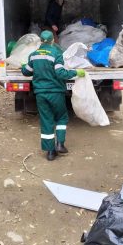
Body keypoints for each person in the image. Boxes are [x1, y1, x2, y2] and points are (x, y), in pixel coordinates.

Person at [21, 30, 85, 161]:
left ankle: (50, 152)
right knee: (61, 117)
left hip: (40, 94)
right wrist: (76, 72)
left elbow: (26, 72)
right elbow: (61, 73)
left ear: (40, 41)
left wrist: (23, 66)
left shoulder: (33, 56)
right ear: (52, 41)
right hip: (55, 93)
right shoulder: (56, 53)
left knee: (46, 121)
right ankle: (60, 144)